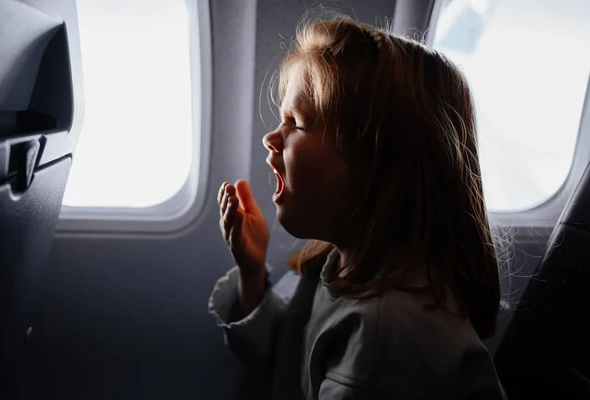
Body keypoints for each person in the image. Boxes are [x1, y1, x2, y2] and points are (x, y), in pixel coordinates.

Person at [209, 14, 507, 400]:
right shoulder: (339, 264)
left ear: (376, 166)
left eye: (295, 123)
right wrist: (252, 270)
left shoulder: (385, 342)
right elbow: (284, 356)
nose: (270, 138)